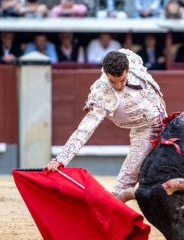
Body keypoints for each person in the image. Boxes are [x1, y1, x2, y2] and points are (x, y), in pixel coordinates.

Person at [45, 49, 167, 202]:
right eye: (113, 82)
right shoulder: (103, 91)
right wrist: (60, 159)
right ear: (105, 73)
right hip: (144, 131)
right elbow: (85, 128)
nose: (118, 86)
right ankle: (108, 220)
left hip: (168, 123)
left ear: (127, 69)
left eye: (122, 80)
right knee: (125, 181)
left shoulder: (130, 59)